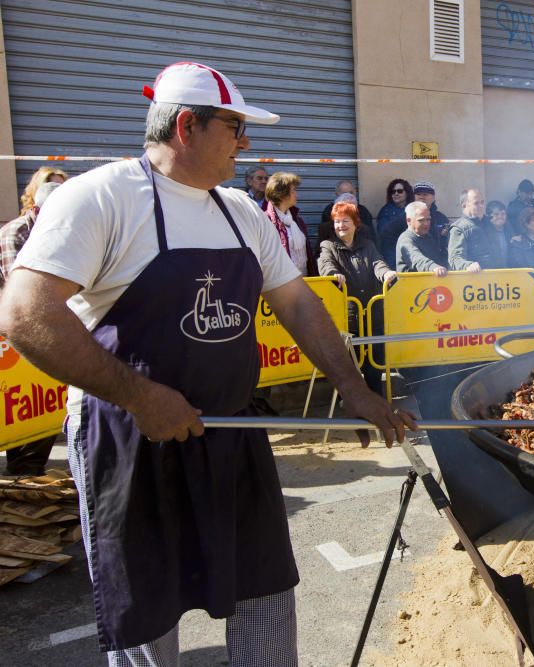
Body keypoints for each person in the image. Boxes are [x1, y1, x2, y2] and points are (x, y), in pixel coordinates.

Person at [0, 61, 414, 663]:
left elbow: (298, 304)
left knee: (266, 593)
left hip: (232, 433)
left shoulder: (240, 212)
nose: (246, 143)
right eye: (235, 127)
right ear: (187, 126)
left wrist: (352, 386)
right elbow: (26, 314)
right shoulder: (102, 198)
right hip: (130, 440)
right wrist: (141, 397)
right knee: (146, 616)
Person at [0, 180, 62, 476]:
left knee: (42, 406)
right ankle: (22, 471)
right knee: (22, 407)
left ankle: (29, 466)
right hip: (14, 330)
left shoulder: (57, 228)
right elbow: (24, 295)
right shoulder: (17, 232)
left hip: (39, 326)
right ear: (36, 209)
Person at [318, 201, 396, 393]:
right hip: (348, 319)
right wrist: (332, 274)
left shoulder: (368, 245)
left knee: (374, 367)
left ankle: (378, 405)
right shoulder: (328, 245)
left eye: (345, 221)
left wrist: (386, 273)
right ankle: (355, 406)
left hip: (372, 316)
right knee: (350, 369)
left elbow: (378, 263)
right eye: (337, 222)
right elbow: (325, 264)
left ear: (355, 223)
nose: (340, 226)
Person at [264, 171, 317, 276]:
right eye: (293, 190)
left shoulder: (297, 221)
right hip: (283, 285)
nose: (296, 194)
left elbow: (308, 255)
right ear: (281, 194)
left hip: (305, 281)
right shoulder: (266, 221)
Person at [448, 188, 499, 271]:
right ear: (464, 205)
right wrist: (468, 265)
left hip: (497, 279)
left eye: (482, 202)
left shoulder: (490, 223)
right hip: (473, 280)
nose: (481, 206)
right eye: (476, 203)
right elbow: (455, 259)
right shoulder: (459, 229)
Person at [396, 201, 448, 275]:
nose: (426, 223)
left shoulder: (428, 237)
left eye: (428, 219)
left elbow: (438, 258)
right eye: (421, 220)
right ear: (409, 220)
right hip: (410, 285)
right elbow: (416, 259)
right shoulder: (406, 239)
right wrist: (433, 267)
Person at [319, 179, 374, 244]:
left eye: (351, 192)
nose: (348, 196)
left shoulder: (363, 210)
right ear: (337, 193)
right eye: (344, 193)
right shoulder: (329, 210)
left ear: (355, 192)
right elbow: (326, 235)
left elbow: (371, 235)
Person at [376, 178, 413, 267]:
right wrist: (403, 217)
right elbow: (383, 232)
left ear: (407, 193)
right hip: (391, 253)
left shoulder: (413, 209)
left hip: (412, 251)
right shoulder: (385, 211)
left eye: (399, 191)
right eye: (393, 191)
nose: (396, 193)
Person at [413, 181, 450, 254]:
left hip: (439, 261)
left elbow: (449, 244)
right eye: (418, 194)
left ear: (433, 198)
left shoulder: (441, 218)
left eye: (425, 194)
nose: (421, 197)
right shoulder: (406, 217)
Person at [484, 200, 511, 268]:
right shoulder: (483, 234)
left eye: (503, 214)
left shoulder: (510, 232)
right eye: (496, 214)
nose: (500, 216)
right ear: (488, 216)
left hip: (508, 273)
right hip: (492, 274)